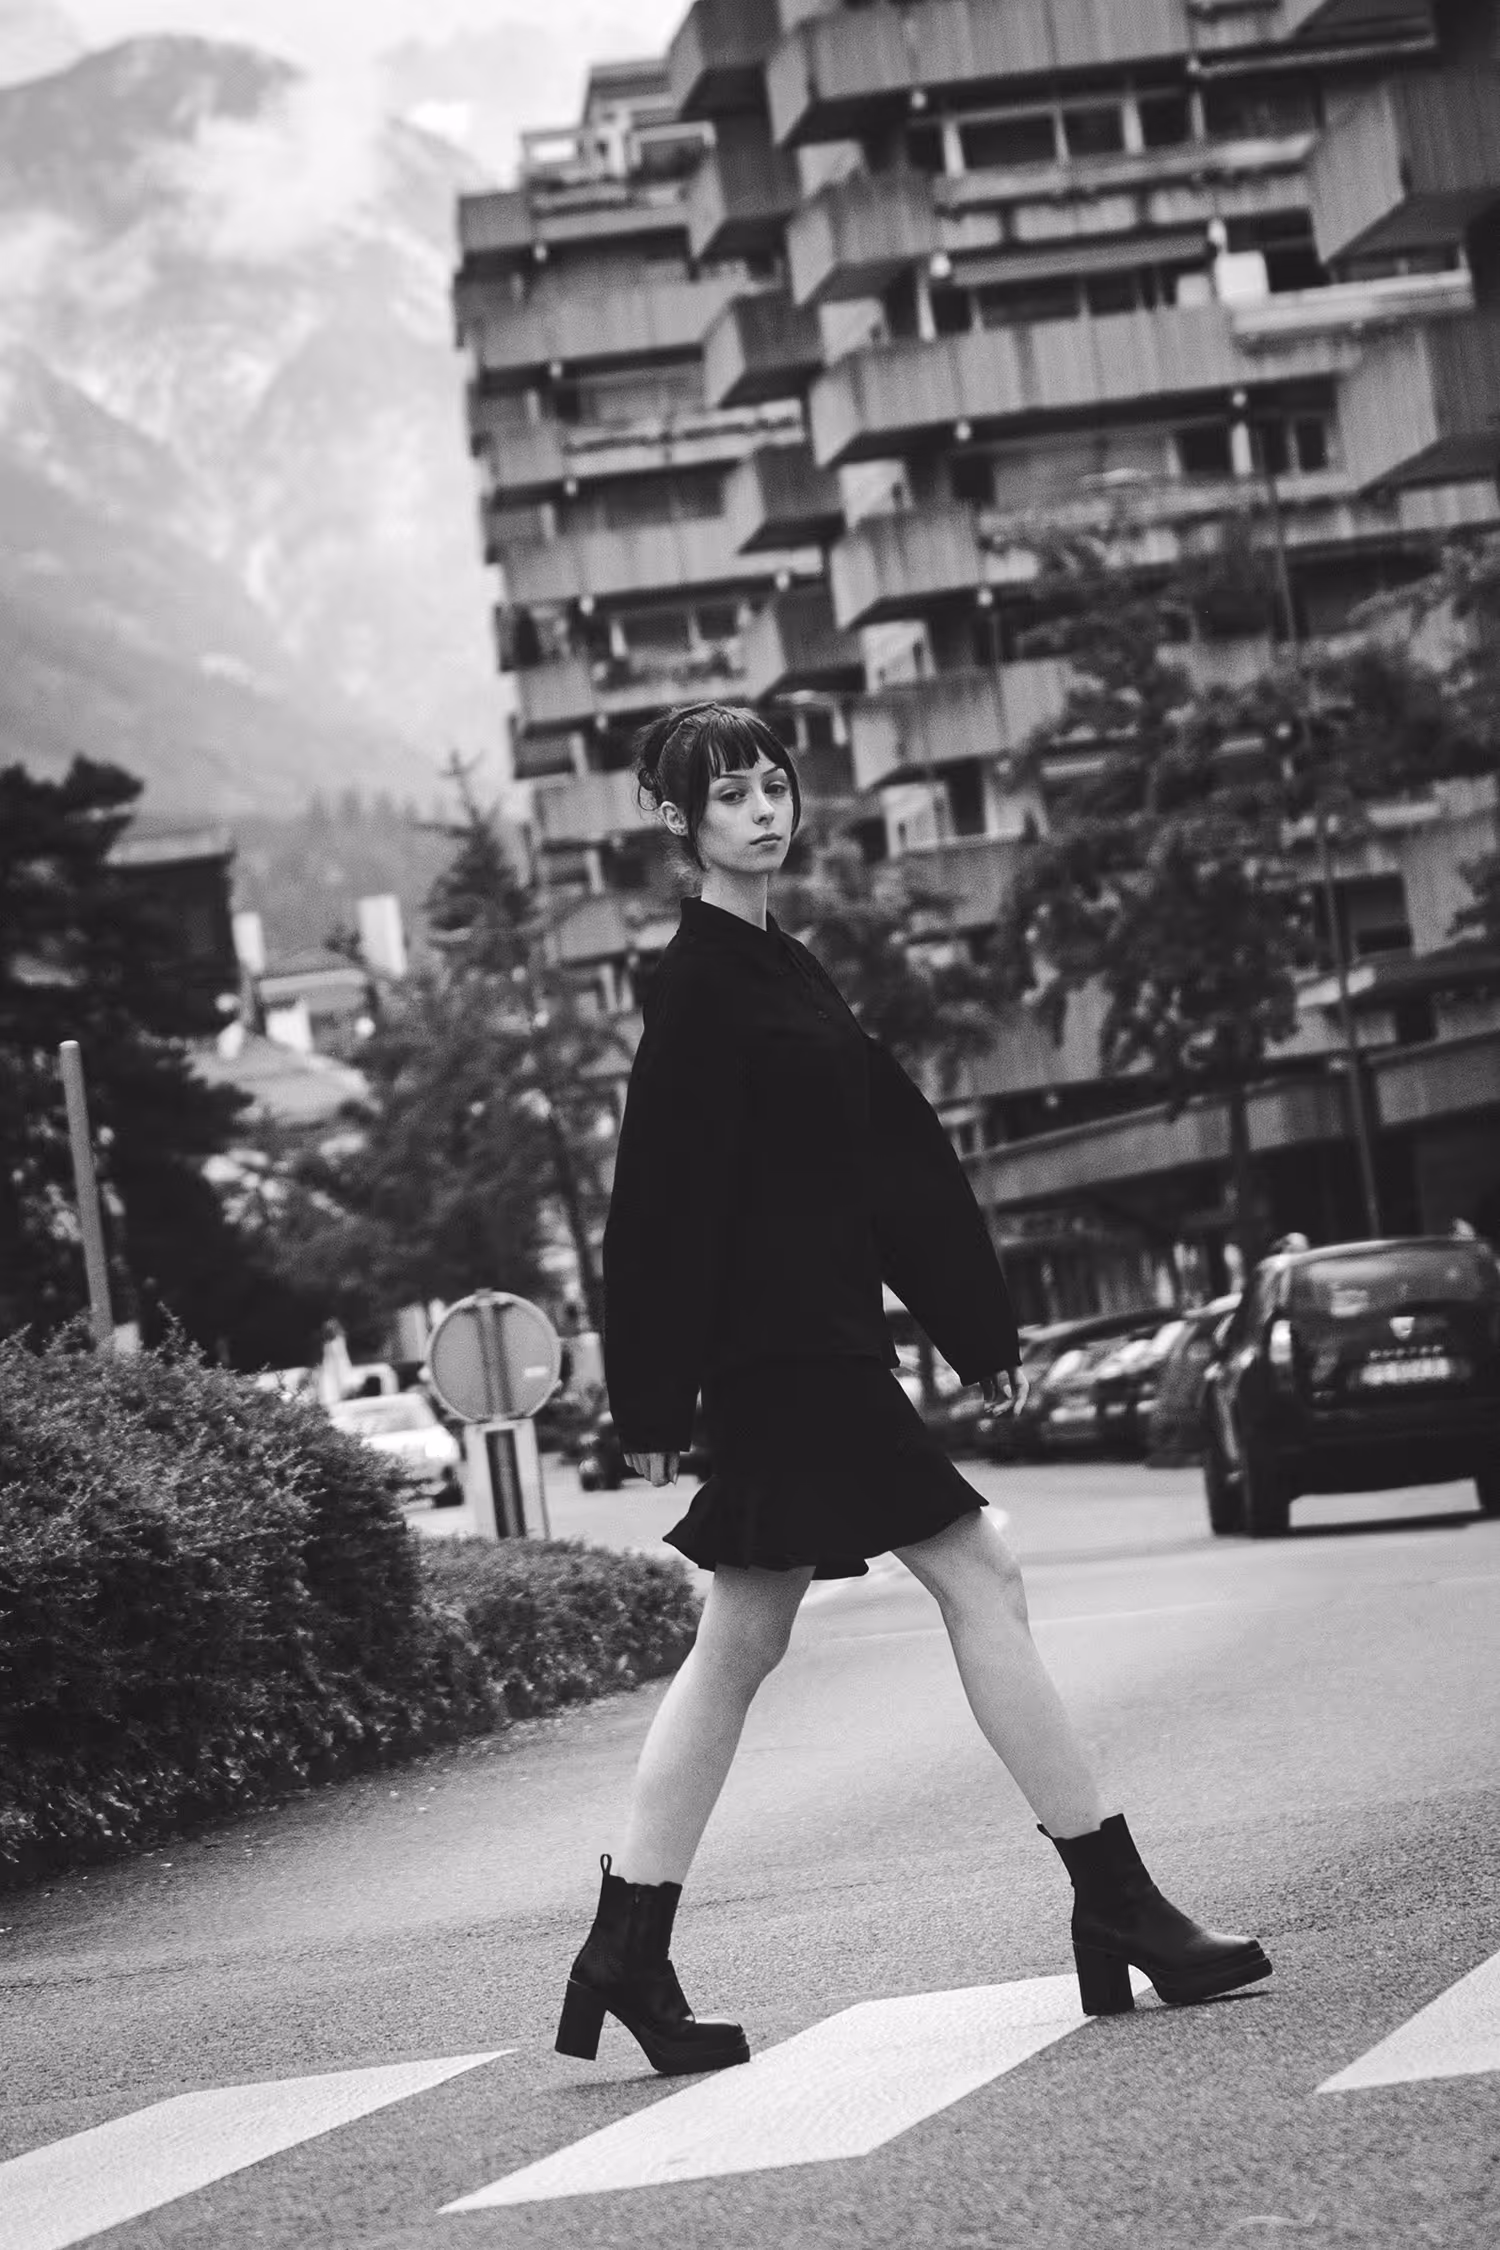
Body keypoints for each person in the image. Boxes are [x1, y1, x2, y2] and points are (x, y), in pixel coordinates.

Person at [555, 703, 1271, 2077]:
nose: (765, 809)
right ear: (677, 819)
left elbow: (885, 1155)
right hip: (785, 1354)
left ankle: (626, 1947)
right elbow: (661, 1195)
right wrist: (649, 1402)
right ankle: (1115, 1899)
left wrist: (970, 1321)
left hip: (823, 1338)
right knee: (978, 1572)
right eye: (733, 794)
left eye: (776, 784)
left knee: (742, 1641)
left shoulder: (783, 964)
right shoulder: (700, 979)